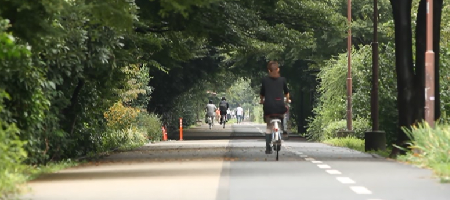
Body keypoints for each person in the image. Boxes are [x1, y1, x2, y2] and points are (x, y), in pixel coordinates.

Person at [259, 61, 290, 154]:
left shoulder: (265, 80)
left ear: (269, 70)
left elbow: (262, 94)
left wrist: (261, 100)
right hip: (280, 106)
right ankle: (284, 129)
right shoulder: (282, 80)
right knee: (283, 113)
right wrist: (287, 100)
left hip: (269, 107)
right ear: (278, 69)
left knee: (269, 126)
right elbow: (287, 93)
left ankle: (268, 148)